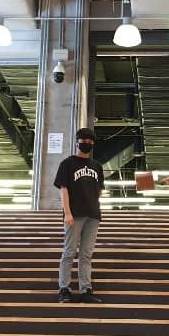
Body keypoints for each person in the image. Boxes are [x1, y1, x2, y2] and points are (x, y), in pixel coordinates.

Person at [54, 128, 105, 303]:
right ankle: (64, 289)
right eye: (83, 141)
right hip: (74, 214)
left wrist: (93, 205)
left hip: (93, 215)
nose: (87, 144)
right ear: (77, 142)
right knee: (69, 252)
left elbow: (99, 190)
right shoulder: (67, 164)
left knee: (86, 254)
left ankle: (86, 290)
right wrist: (67, 212)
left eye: (90, 141)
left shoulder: (97, 166)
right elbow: (63, 189)